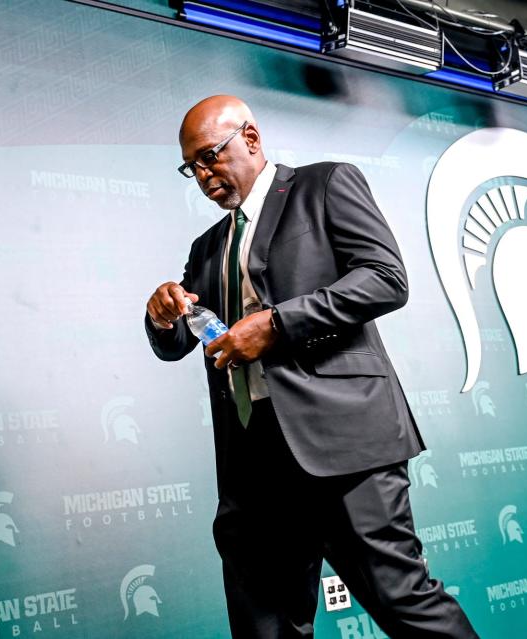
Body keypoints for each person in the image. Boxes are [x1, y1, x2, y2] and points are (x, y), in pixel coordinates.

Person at [145, 95, 478, 639]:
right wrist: (161, 317)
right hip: (251, 465)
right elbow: (178, 341)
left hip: (345, 443)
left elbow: (385, 277)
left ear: (250, 138)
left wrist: (276, 324)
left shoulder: (323, 186)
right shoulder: (205, 248)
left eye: (210, 156)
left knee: (403, 603)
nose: (203, 175)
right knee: (265, 628)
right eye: (193, 167)